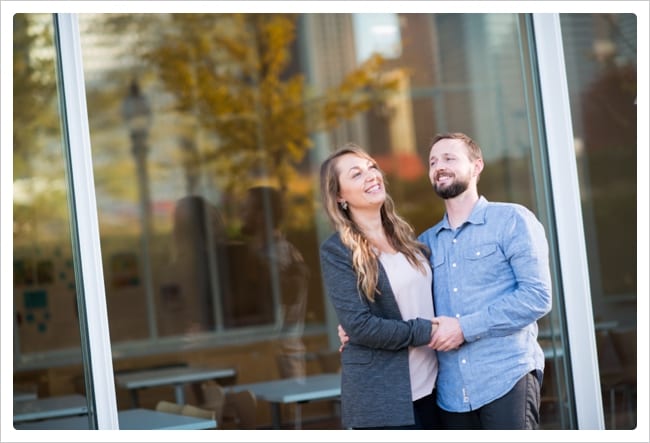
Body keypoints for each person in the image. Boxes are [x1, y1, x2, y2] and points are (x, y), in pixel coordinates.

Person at [419, 132, 553, 429]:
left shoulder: (512, 220)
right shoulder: (425, 243)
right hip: (450, 393)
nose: (439, 166)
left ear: (477, 166)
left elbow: (537, 296)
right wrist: (359, 327)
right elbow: (407, 301)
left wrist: (465, 328)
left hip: (506, 375)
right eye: (433, 161)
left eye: (449, 158)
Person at [319, 143, 441, 430]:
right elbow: (360, 326)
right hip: (383, 400)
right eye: (356, 174)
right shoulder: (337, 250)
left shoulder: (407, 238)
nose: (371, 175)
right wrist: (429, 331)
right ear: (339, 196)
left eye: (372, 167)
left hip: (435, 388)